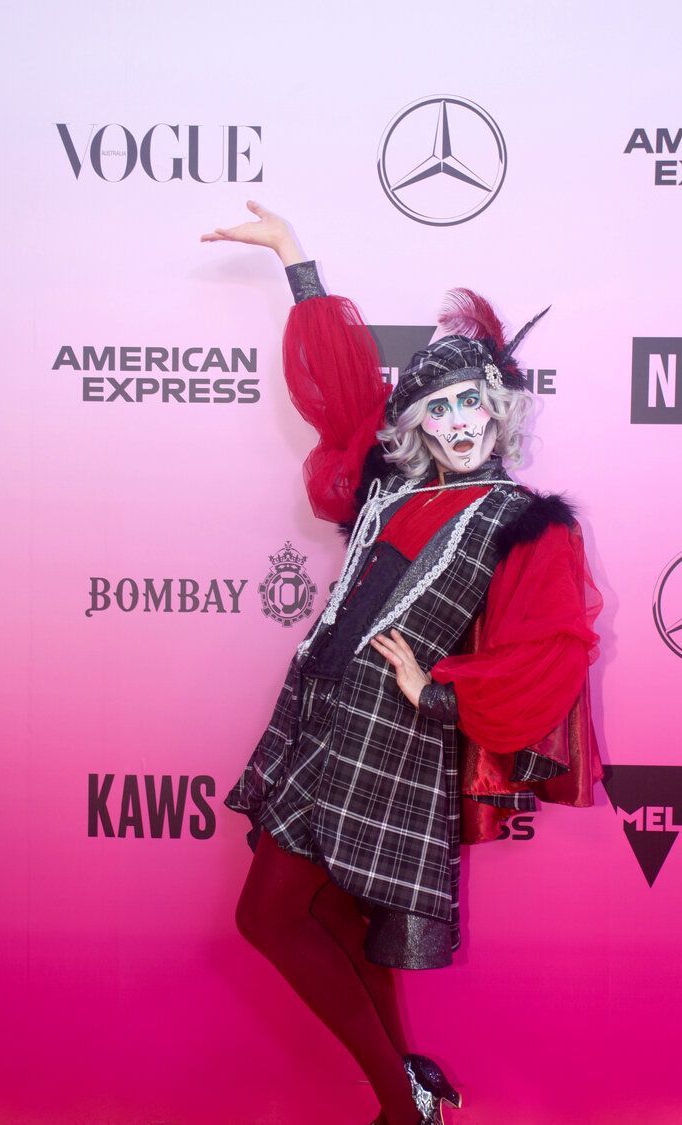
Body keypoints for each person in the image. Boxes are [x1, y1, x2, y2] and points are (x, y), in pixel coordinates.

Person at [200, 201, 603, 1125]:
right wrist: (294, 257)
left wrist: (442, 689)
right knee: (333, 922)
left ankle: (400, 1104)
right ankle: (408, 1096)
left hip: (390, 741)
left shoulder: (520, 518)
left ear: (496, 412)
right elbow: (341, 391)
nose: (458, 421)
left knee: (265, 918)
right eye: (439, 408)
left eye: (473, 403)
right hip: (314, 717)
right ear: (418, 424)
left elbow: (551, 652)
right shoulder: (389, 482)